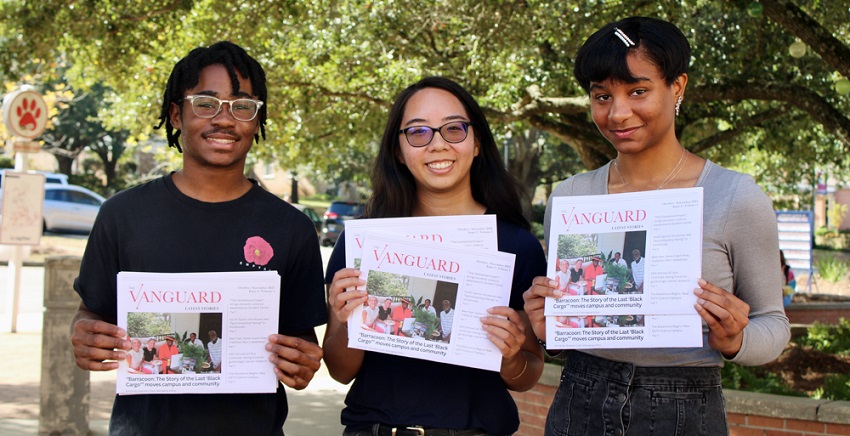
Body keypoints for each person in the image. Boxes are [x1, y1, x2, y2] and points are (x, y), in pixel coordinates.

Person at [523, 17, 790, 435]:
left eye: (638, 91)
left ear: (677, 87)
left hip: (686, 407)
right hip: (580, 400)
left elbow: (773, 326)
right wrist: (548, 331)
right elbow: (566, 336)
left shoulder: (734, 196)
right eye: (601, 96)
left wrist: (736, 340)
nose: (618, 112)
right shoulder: (571, 196)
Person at [69, 41, 327, 435]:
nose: (224, 119)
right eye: (206, 103)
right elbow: (91, 312)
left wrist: (303, 362)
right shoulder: (122, 216)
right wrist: (84, 335)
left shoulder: (291, 228)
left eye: (242, 106)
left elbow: (300, 340)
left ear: (257, 120)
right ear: (176, 113)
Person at [323, 77, 547, 435]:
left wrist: (511, 355)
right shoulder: (362, 242)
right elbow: (340, 370)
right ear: (398, 150)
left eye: (454, 129)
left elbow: (526, 376)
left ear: (476, 143)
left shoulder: (517, 245)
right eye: (418, 133)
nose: (438, 145)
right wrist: (346, 318)